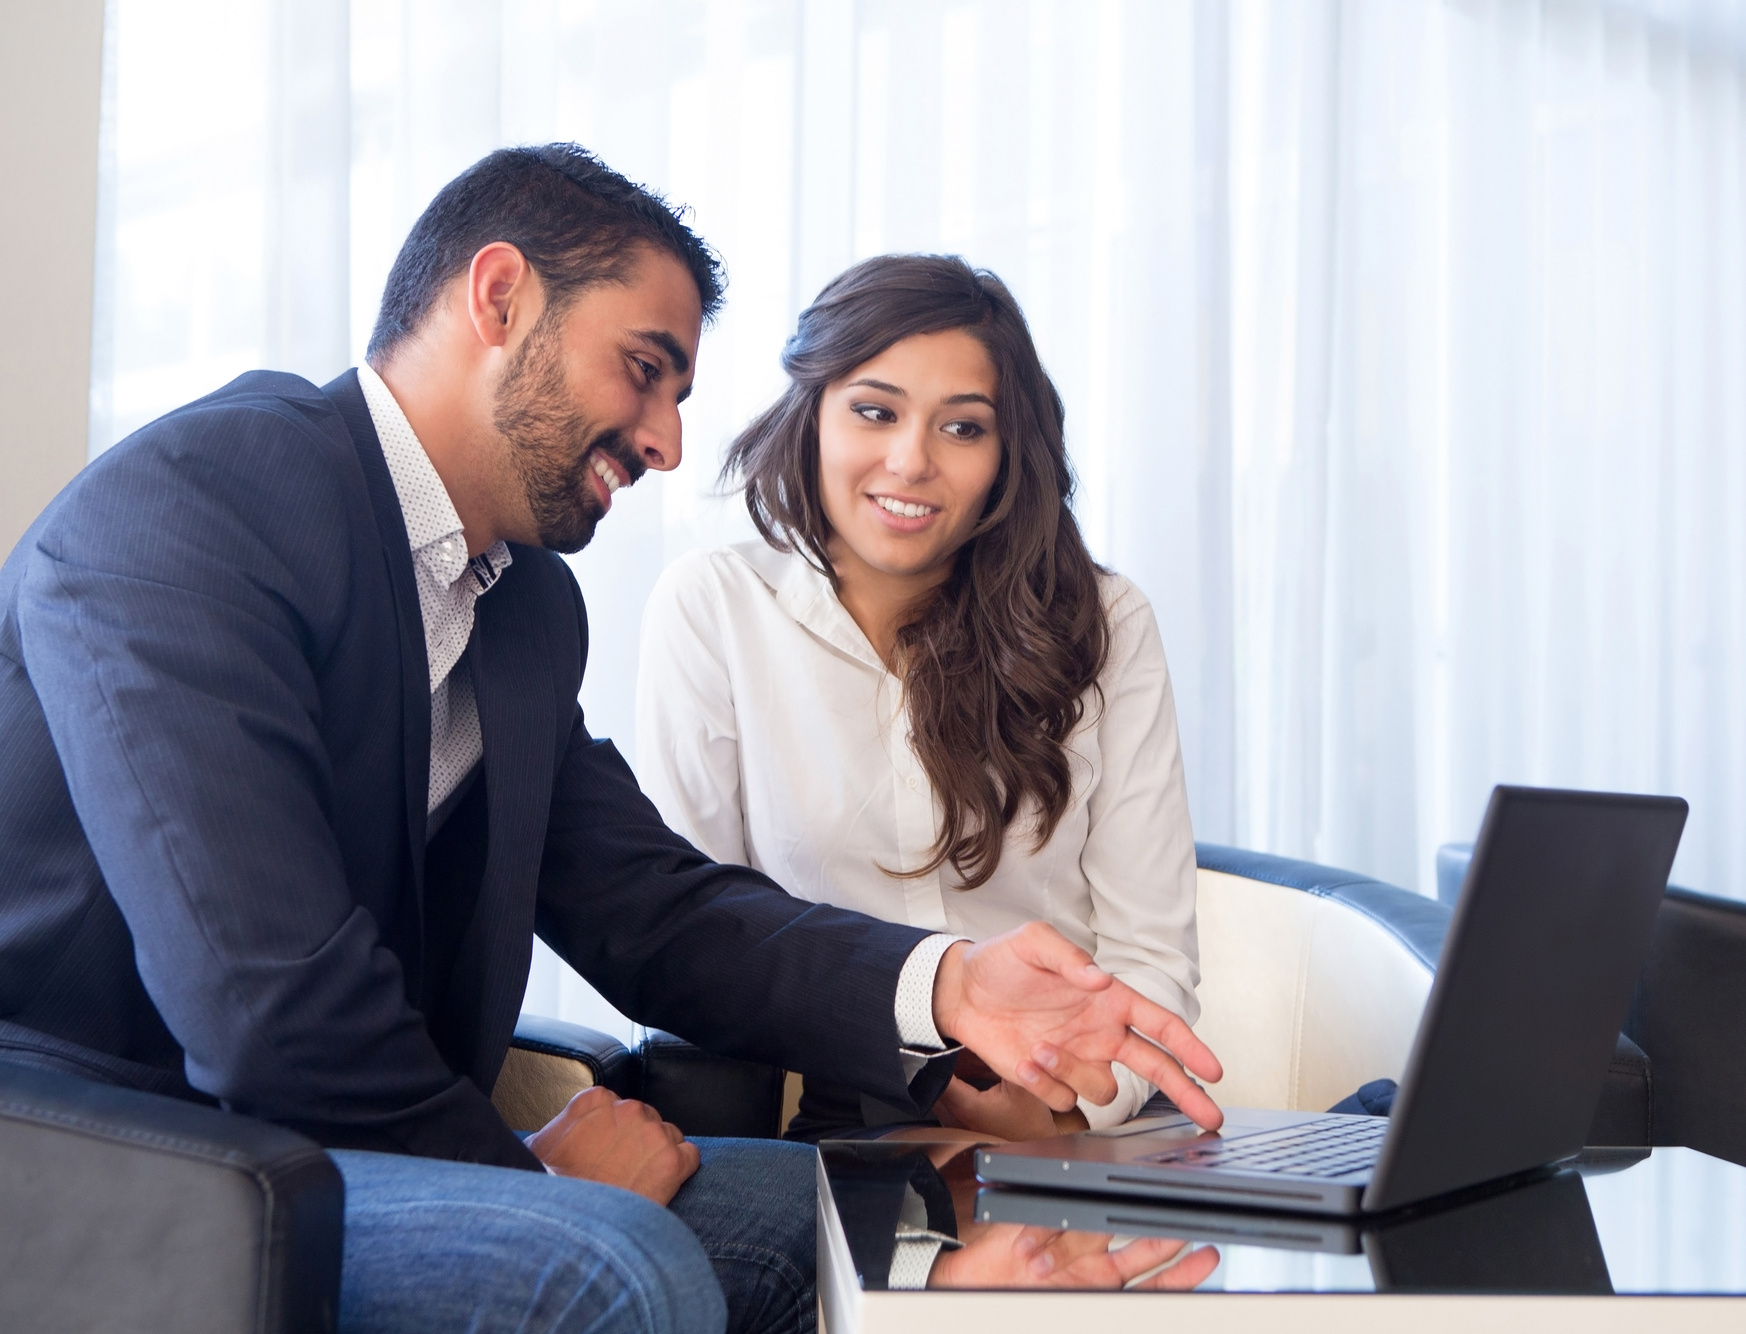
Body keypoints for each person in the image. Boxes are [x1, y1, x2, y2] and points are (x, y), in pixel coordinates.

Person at [0, 145, 1223, 1334]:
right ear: (498, 295)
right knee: (609, 1264)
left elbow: (653, 910)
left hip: (329, 1145)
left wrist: (944, 985)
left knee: (882, 1223)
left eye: (680, 395)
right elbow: (264, 998)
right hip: (108, 1153)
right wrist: (522, 1179)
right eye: (644, 370)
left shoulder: (518, 606)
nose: (665, 440)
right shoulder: (194, 505)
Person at [635, 255, 1199, 1143]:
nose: (911, 462)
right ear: (812, 412)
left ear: (1009, 453)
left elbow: (1150, 951)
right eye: (874, 411)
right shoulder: (713, 607)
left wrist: (1070, 1102)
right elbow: (689, 939)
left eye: (963, 428)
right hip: (831, 1113)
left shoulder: (1106, 622)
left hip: (1067, 1104)